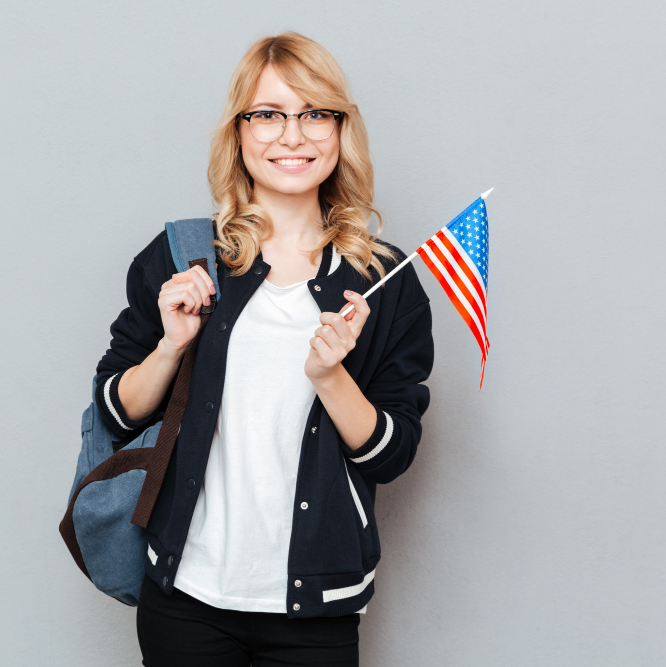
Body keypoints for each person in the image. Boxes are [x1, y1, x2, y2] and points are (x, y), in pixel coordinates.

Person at [95, 31, 435, 667]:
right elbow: (116, 414)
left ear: (340, 129)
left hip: (316, 607)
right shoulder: (183, 257)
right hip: (186, 596)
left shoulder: (385, 280)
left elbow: (395, 454)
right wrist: (171, 347)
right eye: (269, 114)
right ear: (240, 132)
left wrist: (332, 377)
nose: (293, 135)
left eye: (314, 114)